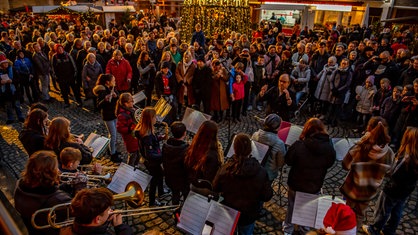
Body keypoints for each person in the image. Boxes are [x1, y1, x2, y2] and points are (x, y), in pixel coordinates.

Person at [283, 118, 336, 235]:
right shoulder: (329, 148)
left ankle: (288, 229)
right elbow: (330, 162)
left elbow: (288, 160)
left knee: (292, 207)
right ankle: (304, 229)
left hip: (296, 183)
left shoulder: (299, 145)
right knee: (308, 209)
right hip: (314, 185)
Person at [340, 117, 395, 231]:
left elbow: (345, 165)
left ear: (369, 128)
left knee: (345, 213)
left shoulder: (361, 146)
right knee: (359, 215)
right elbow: (390, 172)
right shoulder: (389, 152)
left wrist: (359, 142)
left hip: (352, 188)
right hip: (369, 190)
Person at [213, 133, 273, 235]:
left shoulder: (226, 168)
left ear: (234, 149)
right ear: (250, 150)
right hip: (248, 214)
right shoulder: (261, 172)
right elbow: (267, 196)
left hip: (228, 211)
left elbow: (215, 187)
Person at [362, 127, 418, 235]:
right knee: (397, 210)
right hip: (406, 190)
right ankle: (389, 230)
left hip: (393, 189)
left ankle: (374, 229)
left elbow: (392, 172)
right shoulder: (415, 157)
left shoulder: (406, 158)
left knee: (383, 209)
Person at [14, 151, 72, 235]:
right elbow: (80, 214)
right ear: (49, 173)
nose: (58, 170)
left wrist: (62, 187)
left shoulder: (21, 184)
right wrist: (80, 187)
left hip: (32, 229)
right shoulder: (59, 200)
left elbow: (41, 192)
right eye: (56, 168)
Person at [134, 107, 168, 206]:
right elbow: (150, 155)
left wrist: (161, 137)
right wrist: (163, 157)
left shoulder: (146, 129)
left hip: (151, 161)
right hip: (152, 162)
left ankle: (161, 192)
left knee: (160, 174)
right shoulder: (147, 136)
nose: (156, 119)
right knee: (154, 180)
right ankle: (152, 202)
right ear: (150, 119)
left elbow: (154, 139)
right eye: (154, 117)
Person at [185, 120, 223, 186]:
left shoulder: (195, 145)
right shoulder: (213, 154)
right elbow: (209, 179)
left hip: (190, 182)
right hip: (200, 188)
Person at [93, 74, 122, 163]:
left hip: (114, 114)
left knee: (114, 134)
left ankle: (112, 149)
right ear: (107, 82)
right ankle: (112, 154)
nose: (115, 82)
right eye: (113, 80)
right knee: (113, 135)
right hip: (108, 116)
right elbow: (98, 105)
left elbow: (118, 96)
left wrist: (115, 96)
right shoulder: (102, 91)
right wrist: (105, 99)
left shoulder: (112, 88)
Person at [251, 114, 286, 182]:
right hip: (268, 175)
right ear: (278, 128)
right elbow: (280, 163)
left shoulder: (255, 135)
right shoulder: (279, 143)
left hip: (253, 169)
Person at [162, 121, 189, 205]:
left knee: (175, 195)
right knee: (186, 195)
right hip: (183, 180)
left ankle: (175, 213)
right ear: (184, 133)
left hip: (170, 177)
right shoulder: (186, 149)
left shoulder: (165, 145)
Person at [51, 44, 82, 108]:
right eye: (59, 49)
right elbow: (53, 67)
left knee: (75, 90)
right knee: (63, 91)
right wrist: (55, 77)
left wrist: (75, 73)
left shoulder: (67, 55)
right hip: (61, 77)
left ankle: (79, 101)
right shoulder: (55, 57)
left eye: (61, 48)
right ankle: (66, 102)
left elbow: (73, 64)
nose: (60, 50)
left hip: (70, 76)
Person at [116, 93, 140, 166]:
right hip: (130, 138)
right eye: (131, 101)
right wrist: (130, 128)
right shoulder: (122, 115)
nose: (133, 102)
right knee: (133, 155)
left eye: (133, 100)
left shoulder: (132, 110)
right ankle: (129, 169)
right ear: (125, 103)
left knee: (138, 154)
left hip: (136, 137)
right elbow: (120, 129)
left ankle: (135, 166)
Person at [0, 53, 25, 124]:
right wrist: (1, 82)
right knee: (8, 105)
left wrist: (12, 81)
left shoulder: (12, 69)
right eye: (4, 63)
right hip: (5, 91)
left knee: (17, 104)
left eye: (6, 63)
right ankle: (10, 118)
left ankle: (20, 116)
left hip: (14, 90)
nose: (6, 64)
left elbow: (18, 79)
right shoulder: (0, 71)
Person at [176, 51, 196, 115]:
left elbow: (194, 75)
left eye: (188, 57)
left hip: (189, 86)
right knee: (180, 100)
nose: (186, 58)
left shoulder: (193, 66)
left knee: (188, 100)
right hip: (181, 85)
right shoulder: (180, 64)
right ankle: (179, 113)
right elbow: (177, 73)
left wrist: (188, 81)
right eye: (185, 57)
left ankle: (188, 114)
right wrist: (180, 80)